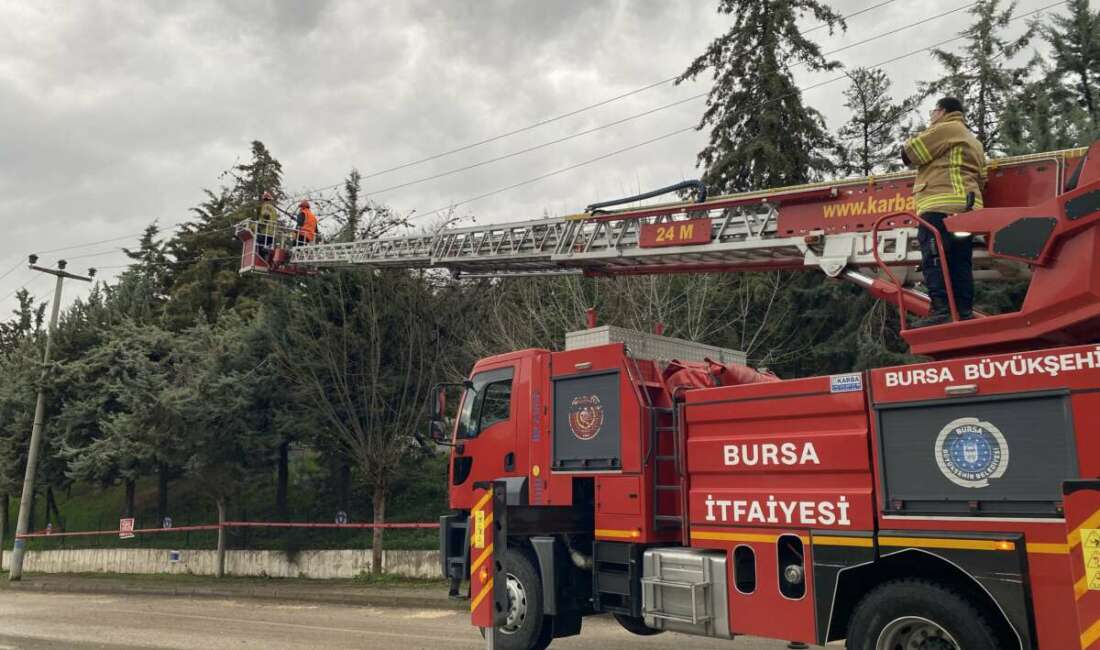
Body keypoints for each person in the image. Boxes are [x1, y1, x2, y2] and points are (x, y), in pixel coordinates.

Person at [901, 96, 987, 328]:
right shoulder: (973, 140)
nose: (931, 116)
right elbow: (982, 178)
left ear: (942, 111)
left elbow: (909, 154)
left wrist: (919, 134)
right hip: (967, 210)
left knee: (935, 257)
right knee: (960, 261)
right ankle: (963, 311)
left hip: (939, 206)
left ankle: (940, 309)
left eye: (932, 111)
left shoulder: (945, 128)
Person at [256, 191, 280, 258]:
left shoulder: (265, 206)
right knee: (266, 246)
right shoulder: (274, 209)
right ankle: (267, 255)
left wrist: (260, 224)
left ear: (263, 199)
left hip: (265, 232)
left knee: (259, 244)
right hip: (272, 233)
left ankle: (262, 258)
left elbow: (265, 215)